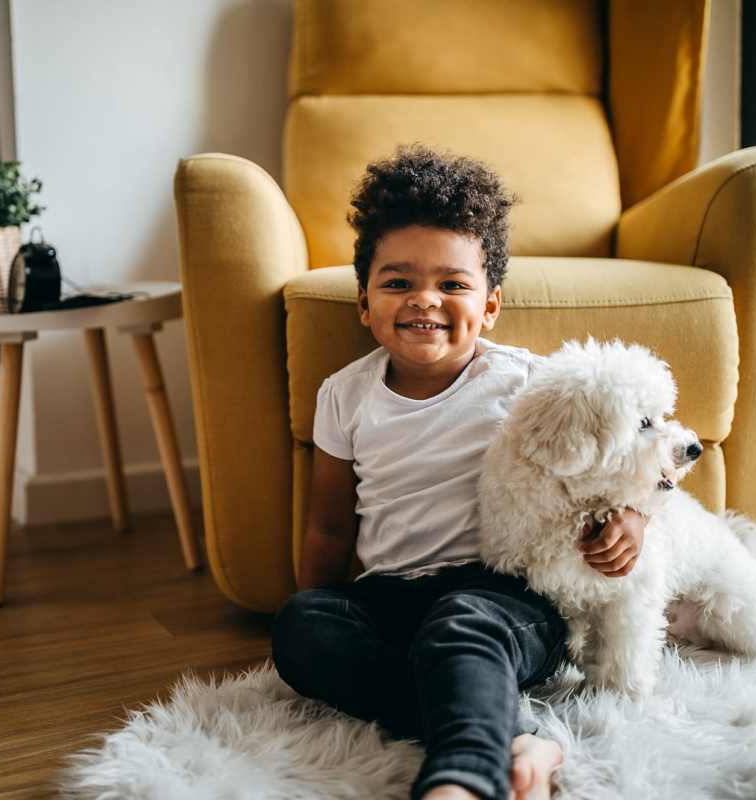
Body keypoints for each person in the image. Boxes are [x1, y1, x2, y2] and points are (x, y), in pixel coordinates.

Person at [271, 145, 648, 800]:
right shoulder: (344, 395)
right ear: (364, 302)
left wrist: (633, 519)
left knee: (461, 627)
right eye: (398, 283)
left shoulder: (529, 385)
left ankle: (464, 778)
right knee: (301, 628)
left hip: (504, 598)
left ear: (490, 305)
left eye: (452, 284)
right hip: (391, 597)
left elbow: (634, 460)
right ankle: (515, 733)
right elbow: (330, 528)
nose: (425, 300)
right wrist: (324, 609)